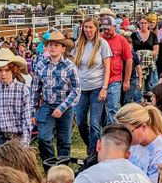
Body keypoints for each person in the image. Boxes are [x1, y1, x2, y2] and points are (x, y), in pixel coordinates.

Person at [31, 31, 80, 167]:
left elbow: (76, 90)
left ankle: (63, 171)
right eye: (50, 45)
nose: (52, 47)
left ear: (63, 49)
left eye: (56, 45)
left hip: (65, 107)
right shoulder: (40, 65)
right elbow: (35, 89)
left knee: (64, 140)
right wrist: (33, 112)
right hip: (47, 105)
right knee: (43, 138)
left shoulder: (70, 66)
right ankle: (51, 166)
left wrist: (62, 107)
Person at [72, 18, 112, 160]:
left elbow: (107, 67)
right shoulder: (78, 44)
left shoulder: (102, 44)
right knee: (81, 122)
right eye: (85, 27)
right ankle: (91, 146)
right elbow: (73, 65)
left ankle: (93, 155)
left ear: (96, 29)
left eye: (90, 27)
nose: (88, 30)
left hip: (97, 87)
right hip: (81, 88)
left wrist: (104, 88)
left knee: (95, 123)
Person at [0, 49, 32, 151]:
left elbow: (26, 120)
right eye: (0, 70)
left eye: (7, 70)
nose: (3, 74)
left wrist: (24, 144)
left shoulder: (23, 89)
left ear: (13, 70)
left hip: (16, 138)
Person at [100, 16, 133, 123]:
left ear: (114, 27)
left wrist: (126, 80)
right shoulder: (99, 39)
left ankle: (111, 133)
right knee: (100, 110)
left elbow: (128, 60)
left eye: (108, 29)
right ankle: (105, 129)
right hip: (99, 78)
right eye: (104, 29)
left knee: (113, 108)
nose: (106, 31)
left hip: (115, 78)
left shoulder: (121, 40)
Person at [131, 15, 160, 94]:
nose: (143, 25)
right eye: (141, 23)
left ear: (148, 24)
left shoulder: (153, 35)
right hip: (137, 63)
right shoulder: (134, 35)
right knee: (137, 84)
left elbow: (156, 51)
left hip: (149, 63)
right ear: (139, 24)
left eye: (145, 23)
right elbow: (131, 49)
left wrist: (146, 54)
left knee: (149, 84)